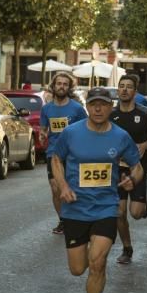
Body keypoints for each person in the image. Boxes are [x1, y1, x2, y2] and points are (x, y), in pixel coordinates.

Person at [52, 87, 143, 293]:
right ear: (87, 107)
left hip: (105, 207)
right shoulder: (71, 133)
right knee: (78, 269)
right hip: (75, 209)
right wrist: (63, 185)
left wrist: (132, 181)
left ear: (110, 106)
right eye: (94, 105)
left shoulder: (121, 137)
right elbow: (56, 159)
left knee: (98, 262)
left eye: (103, 104)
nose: (99, 109)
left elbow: (137, 167)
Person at [110, 74, 147, 264]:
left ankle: (144, 205)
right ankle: (127, 248)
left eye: (128, 87)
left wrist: (145, 145)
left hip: (137, 168)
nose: (124, 89)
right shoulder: (111, 114)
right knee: (119, 212)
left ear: (135, 91)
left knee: (136, 213)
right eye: (121, 86)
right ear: (118, 90)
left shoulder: (144, 113)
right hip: (117, 169)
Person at [40, 72, 86, 234]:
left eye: (65, 84)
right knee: (55, 188)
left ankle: (76, 217)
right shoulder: (46, 109)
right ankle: (63, 220)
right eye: (59, 83)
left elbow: (86, 129)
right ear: (53, 86)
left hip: (73, 154)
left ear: (69, 87)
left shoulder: (77, 109)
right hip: (54, 154)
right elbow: (44, 129)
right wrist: (42, 134)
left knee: (72, 188)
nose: (61, 86)